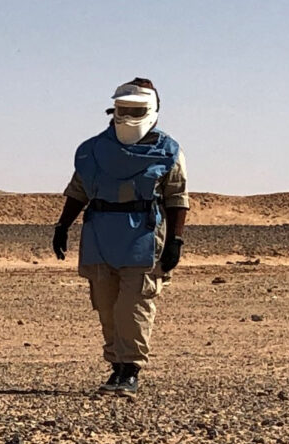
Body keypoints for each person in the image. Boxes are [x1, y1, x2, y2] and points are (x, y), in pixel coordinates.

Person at [51, 78, 189, 397]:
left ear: (152, 111)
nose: (127, 117)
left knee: (135, 305)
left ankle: (131, 369)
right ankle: (116, 365)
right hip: (100, 235)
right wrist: (62, 225)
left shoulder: (168, 152)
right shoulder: (92, 151)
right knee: (106, 305)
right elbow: (79, 189)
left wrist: (175, 243)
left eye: (135, 110)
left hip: (143, 237)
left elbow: (177, 198)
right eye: (121, 109)